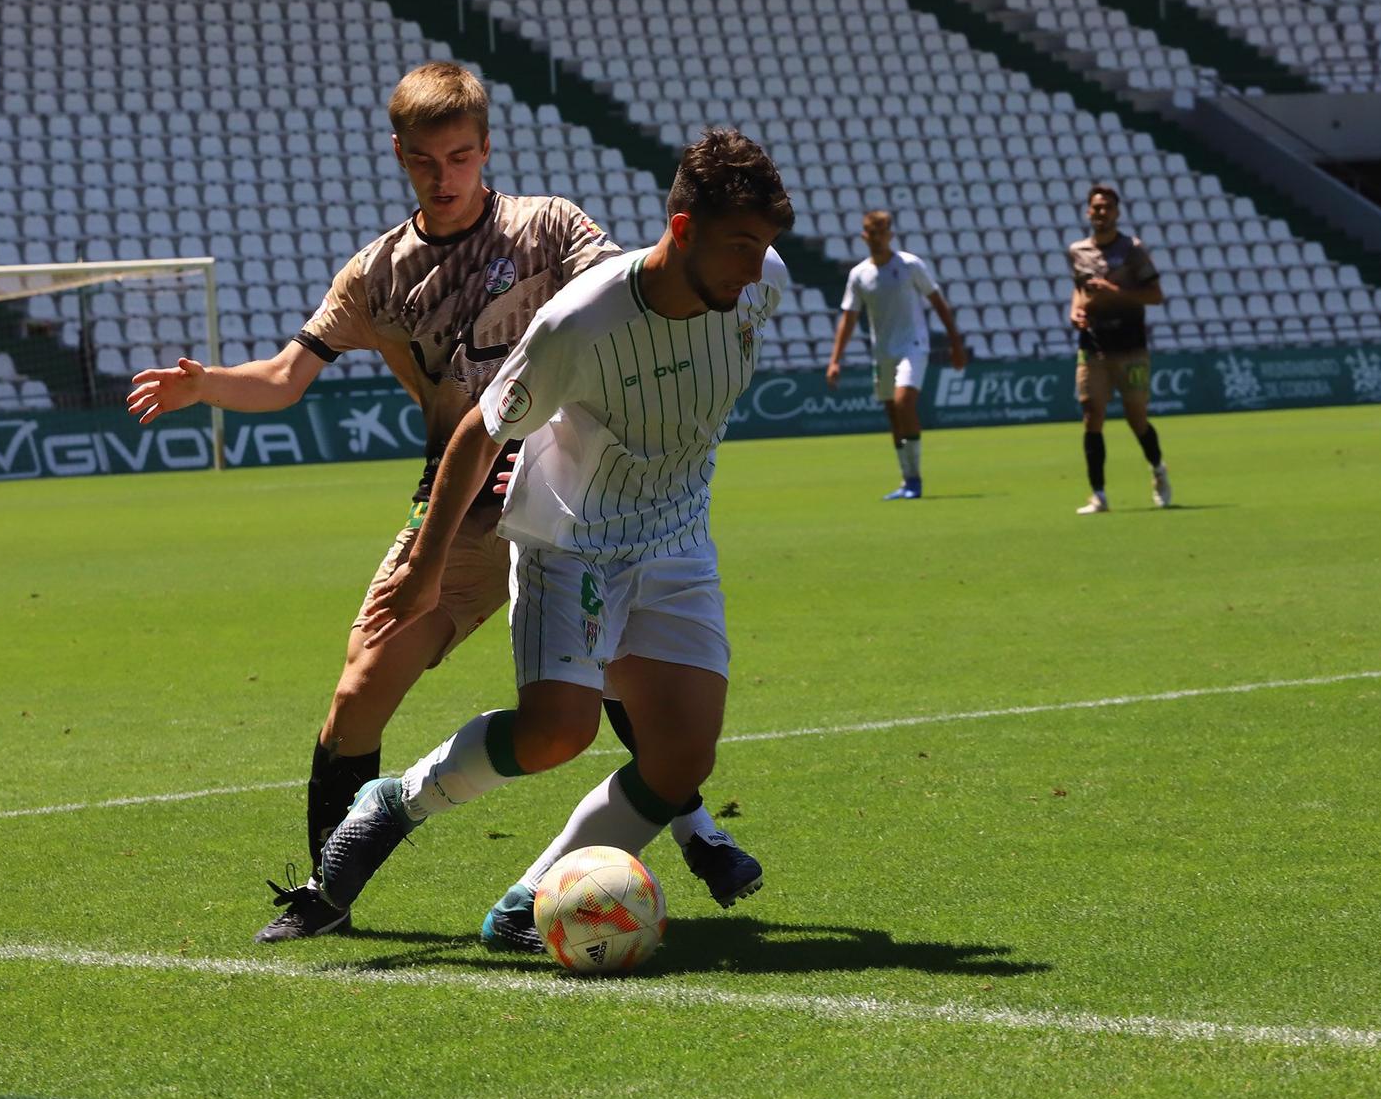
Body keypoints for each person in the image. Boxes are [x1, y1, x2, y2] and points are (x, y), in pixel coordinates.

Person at [124, 64, 761, 945]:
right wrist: (208, 386)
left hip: (566, 495)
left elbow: (630, 301)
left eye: (460, 156)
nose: (444, 175)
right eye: (425, 160)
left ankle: (698, 830)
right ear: (400, 157)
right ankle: (331, 887)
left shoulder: (551, 227)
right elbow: (283, 377)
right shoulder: (378, 274)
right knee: (359, 694)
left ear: (486, 149)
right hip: (457, 515)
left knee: (610, 681)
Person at [316, 129, 794, 952]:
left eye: (766, 245)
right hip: (570, 540)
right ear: (681, 232)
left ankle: (525, 905)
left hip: (676, 539)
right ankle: (392, 804)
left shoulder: (758, 286)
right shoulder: (582, 320)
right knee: (556, 733)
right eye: (740, 245)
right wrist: (427, 569)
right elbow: (477, 431)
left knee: (681, 759)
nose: (756, 268)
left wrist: (754, 258)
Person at [824, 209, 968, 500]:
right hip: (883, 352)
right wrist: (835, 360)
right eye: (872, 233)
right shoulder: (859, 275)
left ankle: (915, 482)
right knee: (893, 415)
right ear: (864, 236)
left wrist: (955, 342)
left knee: (904, 403)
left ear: (890, 234)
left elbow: (938, 302)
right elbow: (849, 318)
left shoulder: (910, 265)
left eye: (882, 232)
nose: (877, 238)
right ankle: (908, 479)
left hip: (913, 346)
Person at [1068, 183, 1171, 514]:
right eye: (1096, 207)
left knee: (1136, 417)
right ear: (1088, 211)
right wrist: (1076, 310)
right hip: (1093, 345)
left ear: (1117, 212)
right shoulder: (1077, 250)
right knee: (1091, 415)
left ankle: (1158, 469)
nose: (1101, 212)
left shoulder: (1132, 250)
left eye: (1107, 207)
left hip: (1129, 346)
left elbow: (1155, 295)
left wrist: (1116, 292)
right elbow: (1080, 290)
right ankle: (1098, 494)